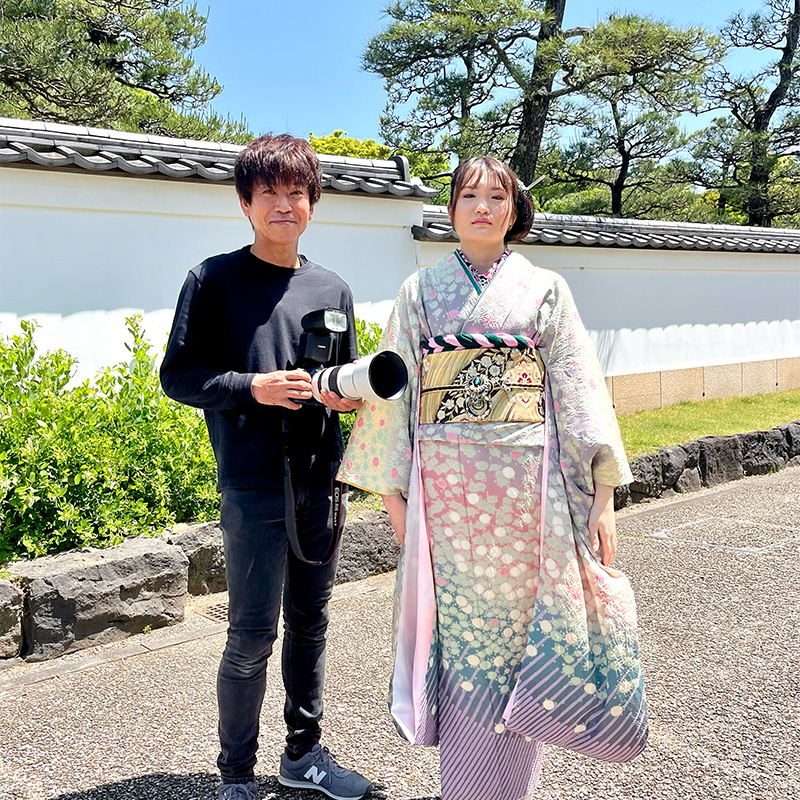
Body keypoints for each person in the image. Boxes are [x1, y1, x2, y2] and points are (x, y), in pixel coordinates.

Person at [339, 156, 648, 800]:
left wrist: (603, 494)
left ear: (514, 210)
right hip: (446, 499)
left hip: (525, 495)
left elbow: (579, 391)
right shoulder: (420, 292)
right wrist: (396, 498)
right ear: (451, 210)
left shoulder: (546, 290)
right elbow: (394, 395)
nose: (482, 207)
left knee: (518, 635)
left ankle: (511, 786)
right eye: (468, 195)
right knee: (463, 638)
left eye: (496, 196)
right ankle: (467, 786)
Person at [160, 134, 372, 800]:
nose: (284, 204)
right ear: (246, 203)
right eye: (269, 193)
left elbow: (347, 375)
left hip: (320, 481)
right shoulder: (213, 279)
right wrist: (253, 387)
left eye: (296, 192)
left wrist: (344, 394)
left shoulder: (332, 287)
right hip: (252, 483)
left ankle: (303, 755)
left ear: (313, 202)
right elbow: (178, 376)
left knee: (311, 625)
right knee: (252, 634)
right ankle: (235, 774)